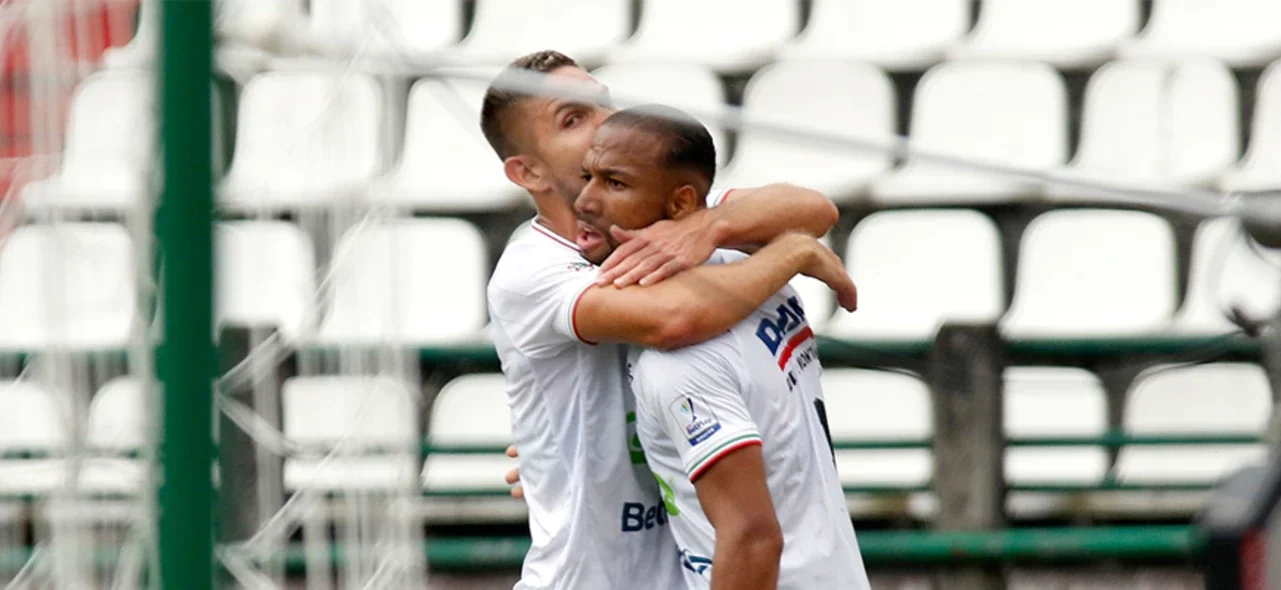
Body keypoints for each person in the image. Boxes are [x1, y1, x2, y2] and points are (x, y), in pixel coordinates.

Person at [480, 50, 856, 589]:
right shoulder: (531, 269)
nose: (604, 123)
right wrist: (791, 254)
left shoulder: (661, 213)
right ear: (528, 170)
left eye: (602, 105)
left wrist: (713, 225)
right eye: (573, 118)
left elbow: (815, 208)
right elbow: (674, 321)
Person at [576, 105, 871, 590]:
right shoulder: (754, 267)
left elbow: (753, 538)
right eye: (586, 177)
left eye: (614, 183)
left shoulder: (680, 361)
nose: (585, 200)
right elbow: (811, 210)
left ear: (680, 205)